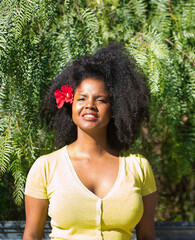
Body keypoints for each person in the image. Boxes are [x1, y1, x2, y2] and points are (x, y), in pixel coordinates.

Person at [23, 43, 157, 240]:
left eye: (100, 100)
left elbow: (146, 236)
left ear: (114, 110)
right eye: (82, 99)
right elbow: (32, 236)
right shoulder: (46, 167)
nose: (90, 106)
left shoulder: (138, 168)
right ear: (70, 105)